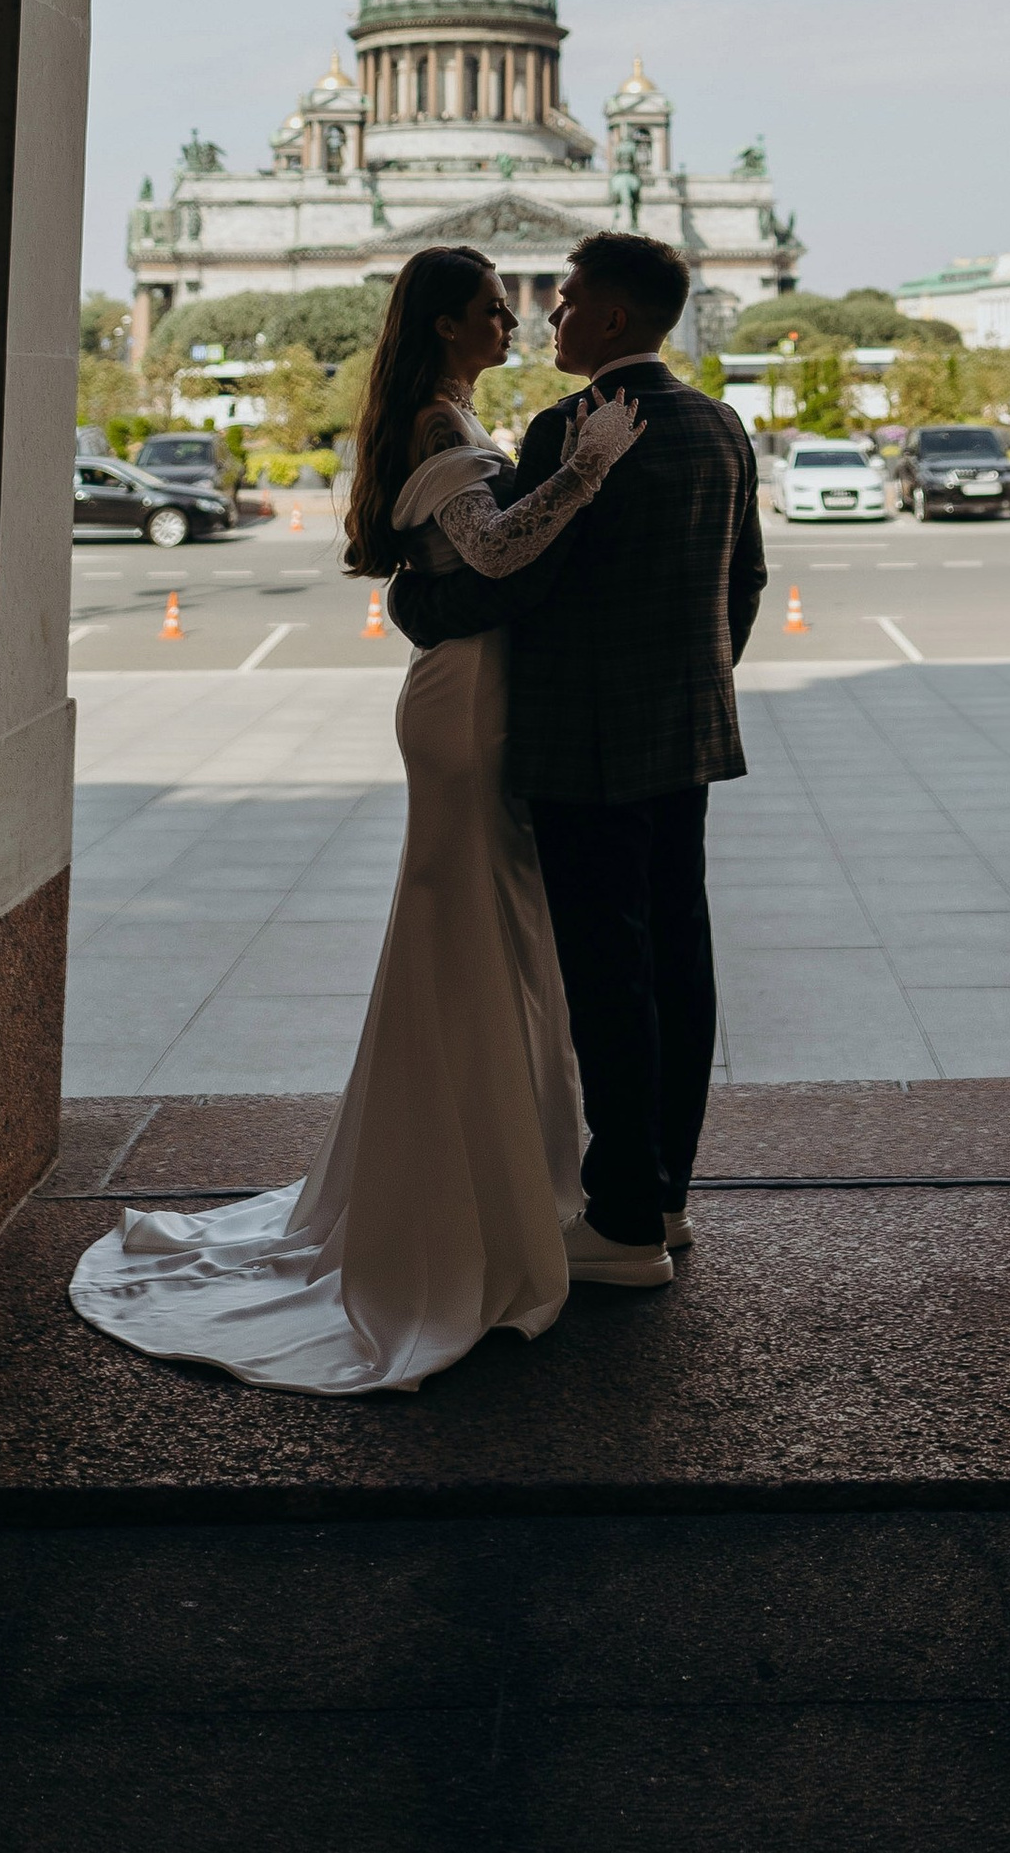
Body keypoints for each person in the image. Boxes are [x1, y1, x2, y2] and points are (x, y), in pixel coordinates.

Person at [67, 244, 646, 1394]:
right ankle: (465, 1194)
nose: (514, 323)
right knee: (469, 931)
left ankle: (484, 1176)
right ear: (445, 326)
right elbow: (490, 553)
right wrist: (583, 473)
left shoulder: (439, 416)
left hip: (468, 692)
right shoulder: (438, 425)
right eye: (493, 311)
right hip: (466, 703)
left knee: (481, 930)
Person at [388, 229, 767, 1289]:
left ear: (610, 317)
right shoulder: (722, 424)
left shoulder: (571, 427)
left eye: (563, 300)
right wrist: (693, 681)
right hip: (685, 736)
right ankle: (671, 1194)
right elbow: (743, 581)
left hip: (581, 745)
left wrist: (413, 601)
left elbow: (513, 584)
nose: (547, 315)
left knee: (608, 977)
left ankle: (624, 1220)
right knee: (681, 961)